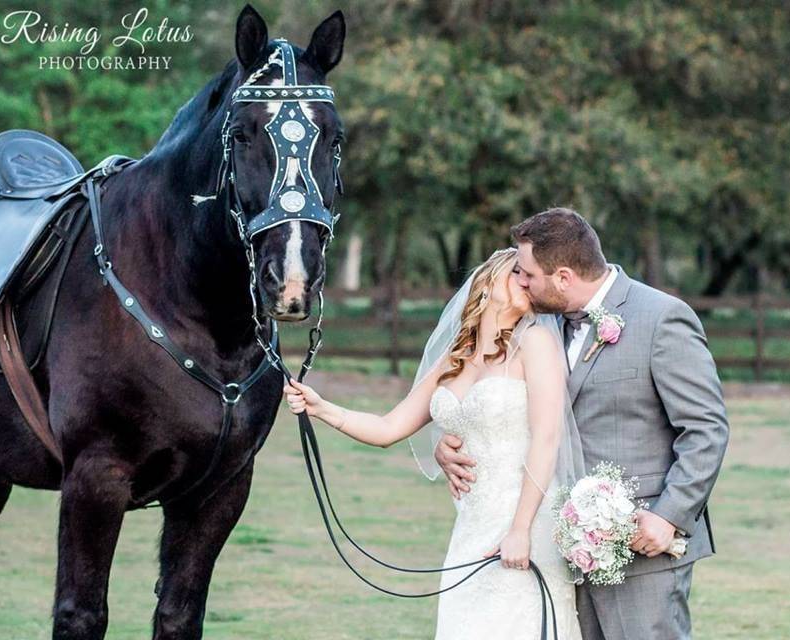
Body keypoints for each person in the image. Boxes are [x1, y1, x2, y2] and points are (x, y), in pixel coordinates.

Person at [434, 208, 730, 640]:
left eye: (528, 273)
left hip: (640, 543)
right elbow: (515, 409)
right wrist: (454, 442)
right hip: (560, 546)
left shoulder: (662, 318)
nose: (521, 282)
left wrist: (669, 515)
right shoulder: (538, 323)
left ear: (564, 277)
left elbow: (706, 428)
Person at [284, 247, 585, 639]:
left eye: (530, 277)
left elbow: (546, 439)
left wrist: (521, 529)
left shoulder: (537, 342)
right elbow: (389, 427)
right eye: (517, 274)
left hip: (525, 520)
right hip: (472, 526)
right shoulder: (455, 357)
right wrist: (323, 409)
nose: (527, 283)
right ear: (487, 280)